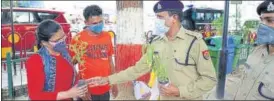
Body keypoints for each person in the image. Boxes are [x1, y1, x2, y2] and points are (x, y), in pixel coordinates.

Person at [87, 0, 217, 100]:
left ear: (174, 18)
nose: (157, 21)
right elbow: (137, 70)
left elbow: (209, 80)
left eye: (160, 17)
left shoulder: (194, 42)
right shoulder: (156, 43)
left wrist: (180, 91)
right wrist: (108, 79)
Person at [26, 20, 88, 100]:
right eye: (57, 40)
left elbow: (72, 77)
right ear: (44, 42)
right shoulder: (35, 61)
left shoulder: (65, 53)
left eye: (63, 37)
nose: (62, 42)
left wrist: (80, 87)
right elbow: (35, 96)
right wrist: (68, 94)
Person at [69, 5, 118, 101]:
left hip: (104, 87)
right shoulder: (78, 39)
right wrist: (81, 88)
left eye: (101, 22)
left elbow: (110, 61)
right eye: (95, 23)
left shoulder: (107, 36)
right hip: (87, 90)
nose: (99, 25)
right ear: (86, 23)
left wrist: (114, 82)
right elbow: (71, 66)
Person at [230, 0, 274, 100]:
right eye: (261, 20)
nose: (262, 25)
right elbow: (240, 78)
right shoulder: (257, 50)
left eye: (270, 20)